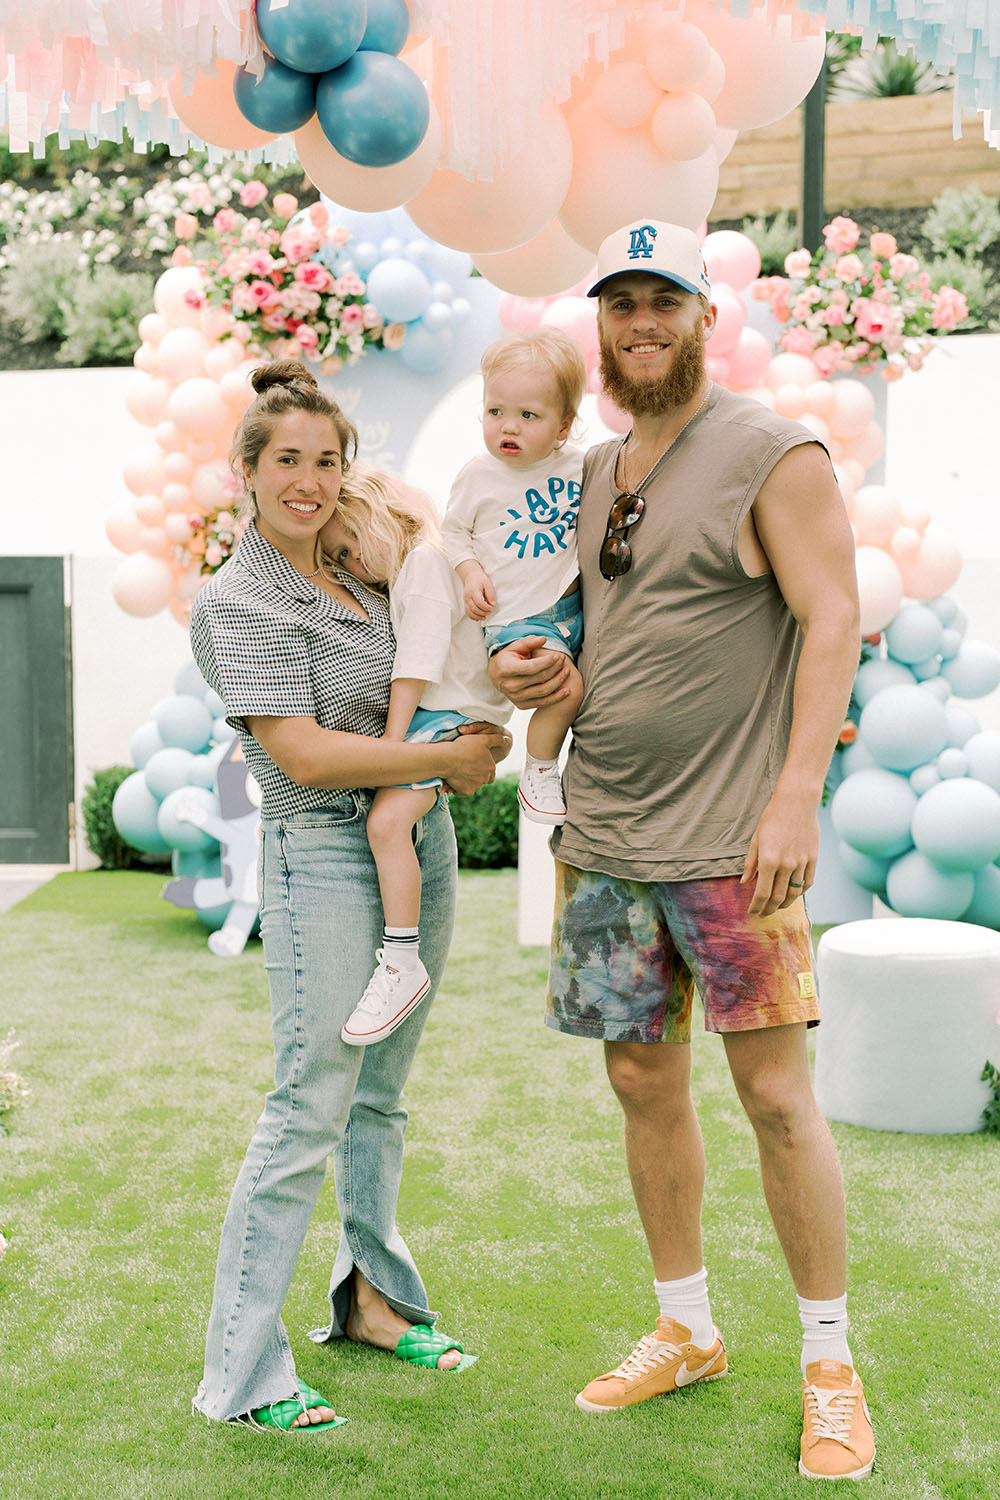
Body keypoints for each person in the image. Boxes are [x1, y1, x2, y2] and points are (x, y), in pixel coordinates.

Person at [489, 221, 875, 1482]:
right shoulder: (600, 470)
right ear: (598, 326)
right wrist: (548, 666)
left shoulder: (773, 449)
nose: (639, 325)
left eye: (662, 303)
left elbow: (832, 618)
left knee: (773, 1097)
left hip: (733, 845)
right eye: (619, 307)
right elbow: (616, 627)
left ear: (704, 316)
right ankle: (688, 1328)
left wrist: (797, 795)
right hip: (604, 837)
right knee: (642, 1087)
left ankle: (828, 1364)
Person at [189, 360, 510, 1433]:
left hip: (419, 839)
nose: (311, 480)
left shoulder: (362, 575)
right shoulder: (237, 599)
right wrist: (436, 764)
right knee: (308, 1107)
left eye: (328, 460)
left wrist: (468, 743)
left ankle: (373, 1301)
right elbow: (310, 758)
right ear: (248, 469)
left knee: (382, 1095)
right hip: (323, 854)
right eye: (288, 459)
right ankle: (241, 1376)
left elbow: (433, 665)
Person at [317, 466, 513, 1046]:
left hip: (442, 717)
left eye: (349, 549)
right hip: (448, 715)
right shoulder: (422, 567)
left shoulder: (426, 563)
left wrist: (392, 749)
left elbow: (415, 667)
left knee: (386, 819)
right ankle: (402, 956)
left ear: (374, 514)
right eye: (341, 563)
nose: (354, 567)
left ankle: (402, 960)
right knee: (393, 823)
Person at [441, 328, 587, 826]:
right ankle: (540, 770)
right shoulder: (477, 476)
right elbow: (453, 530)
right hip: (516, 617)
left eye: (529, 416)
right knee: (565, 690)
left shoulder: (583, 466)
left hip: (575, 610)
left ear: (564, 425)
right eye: (496, 411)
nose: (509, 426)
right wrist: (470, 569)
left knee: (585, 685)